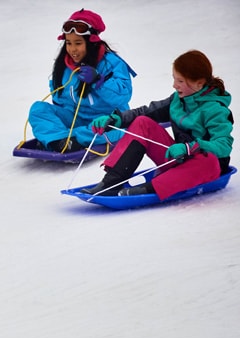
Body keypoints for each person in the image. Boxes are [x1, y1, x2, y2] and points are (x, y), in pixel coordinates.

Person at [82, 49, 233, 198]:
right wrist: (117, 119)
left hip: (205, 167)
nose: (175, 85)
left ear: (199, 83)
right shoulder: (177, 100)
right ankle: (111, 182)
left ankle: (150, 188)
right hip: (178, 159)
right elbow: (146, 112)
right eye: (174, 79)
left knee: (209, 161)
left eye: (180, 81)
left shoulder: (215, 109)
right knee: (143, 122)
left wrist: (189, 148)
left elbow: (223, 145)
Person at [28, 8, 135, 152]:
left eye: (78, 43)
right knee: (38, 109)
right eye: (68, 43)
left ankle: (63, 139)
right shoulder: (64, 66)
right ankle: (63, 140)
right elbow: (60, 100)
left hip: (105, 120)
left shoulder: (111, 63)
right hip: (76, 120)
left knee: (113, 130)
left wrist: (99, 81)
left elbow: (123, 95)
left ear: (91, 42)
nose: (72, 49)